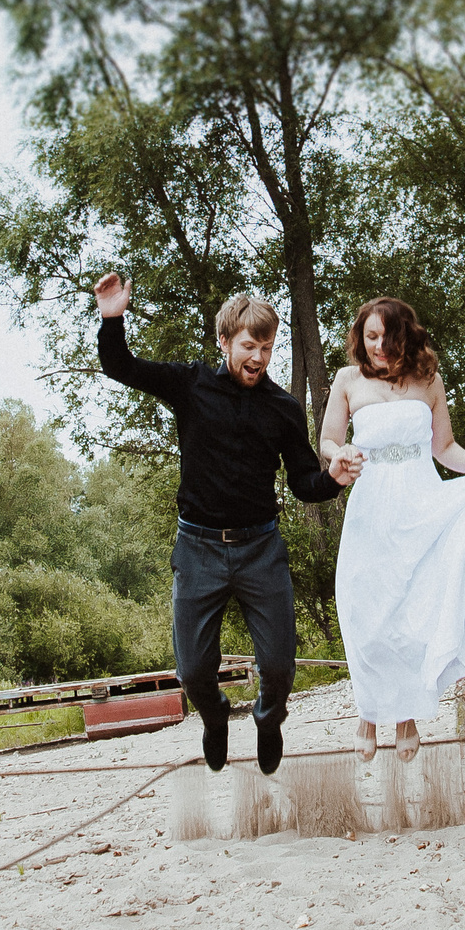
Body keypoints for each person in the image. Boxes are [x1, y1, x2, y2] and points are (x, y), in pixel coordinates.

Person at [92, 271, 355, 775]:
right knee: (192, 672)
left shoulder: (282, 408)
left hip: (261, 549)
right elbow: (120, 365)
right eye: (249, 346)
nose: (258, 358)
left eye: (268, 348)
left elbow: (304, 481)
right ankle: (215, 719)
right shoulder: (191, 385)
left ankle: (268, 718)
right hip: (198, 549)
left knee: (278, 666)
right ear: (225, 342)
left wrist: (335, 478)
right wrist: (112, 317)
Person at [317, 296, 465, 764]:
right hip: (372, 510)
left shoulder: (429, 380)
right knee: (366, 611)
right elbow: (327, 440)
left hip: (422, 504)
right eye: (371, 336)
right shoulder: (347, 380)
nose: (379, 346)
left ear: (406, 335)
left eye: (388, 336)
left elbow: (444, 447)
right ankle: (368, 712)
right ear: (361, 337)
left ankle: (406, 718)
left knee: (413, 613)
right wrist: (339, 454)